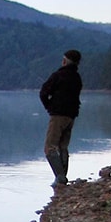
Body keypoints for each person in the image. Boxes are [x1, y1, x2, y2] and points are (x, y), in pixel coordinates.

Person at [39, 49, 83, 185]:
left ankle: (60, 177)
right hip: (71, 116)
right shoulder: (77, 78)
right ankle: (62, 178)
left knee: (49, 148)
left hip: (58, 114)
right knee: (63, 146)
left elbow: (43, 93)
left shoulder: (58, 76)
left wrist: (49, 107)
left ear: (64, 61)